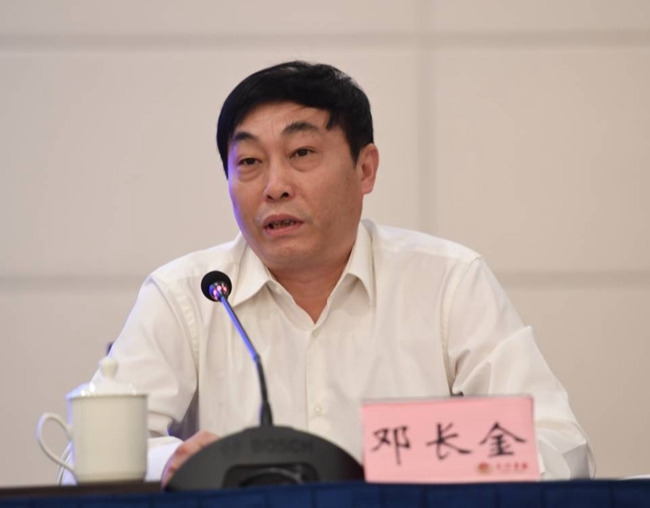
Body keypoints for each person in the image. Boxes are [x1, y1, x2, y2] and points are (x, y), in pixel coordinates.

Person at [82, 61, 595, 484]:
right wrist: (168, 464)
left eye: (301, 153)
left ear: (365, 169)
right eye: (250, 162)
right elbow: (84, 461)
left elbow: (559, 444)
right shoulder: (187, 296)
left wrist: (455, 468)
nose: (275, 186)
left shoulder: (448, 283)